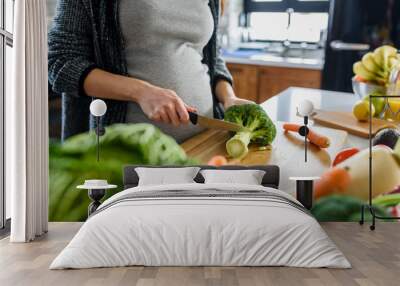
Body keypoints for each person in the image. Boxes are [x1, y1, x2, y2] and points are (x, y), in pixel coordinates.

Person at [48, 0, 253, 142]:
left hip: (204, 140)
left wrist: (229, 99)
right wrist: (140, 91)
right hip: (129, 152)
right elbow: (60, 62)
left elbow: (210, 55)